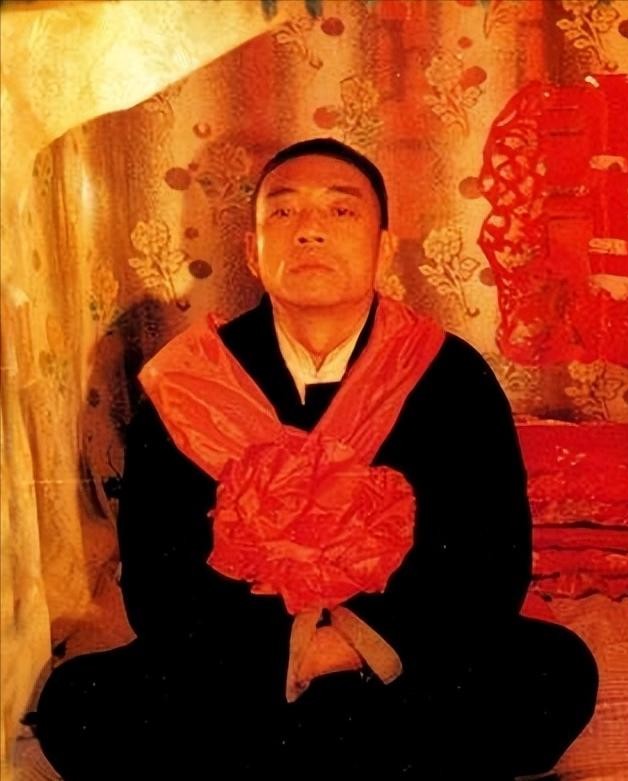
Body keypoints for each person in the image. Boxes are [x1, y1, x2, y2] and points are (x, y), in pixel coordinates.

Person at [32, 138, 598, 779]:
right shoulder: (189, 381)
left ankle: (280, 758)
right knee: (77, 703)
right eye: (283, 211)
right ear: (252, 250)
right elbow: (160, 581)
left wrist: (345, 646)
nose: (309, 231)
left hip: (391, 659)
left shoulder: (450, 373)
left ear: (384, 248)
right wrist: (289, 650)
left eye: (340, 210)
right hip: (244, 668)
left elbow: (489, 562)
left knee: (555, 671)